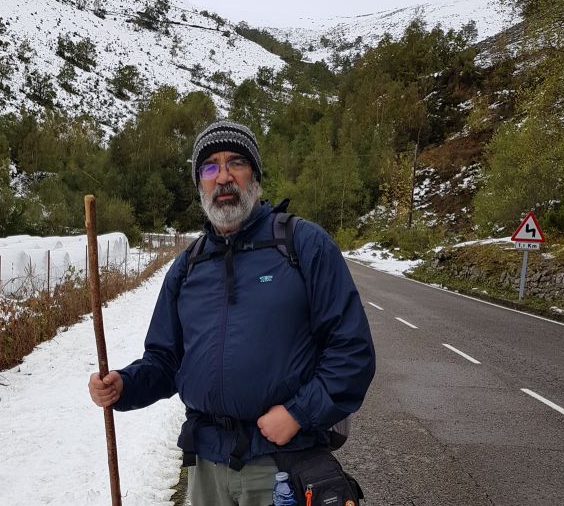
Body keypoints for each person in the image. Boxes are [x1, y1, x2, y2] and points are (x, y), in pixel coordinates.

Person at [89, 119, 376, 506]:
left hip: (283, 466)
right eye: (210, 166)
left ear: (255, 177)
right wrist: (125, 385)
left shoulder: (302, 245)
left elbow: (352, 351)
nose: (223, 176)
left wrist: (297, 413)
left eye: (236, 162)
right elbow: (166, 360)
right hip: (208, 469)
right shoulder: (188, 266)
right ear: (199, 185)